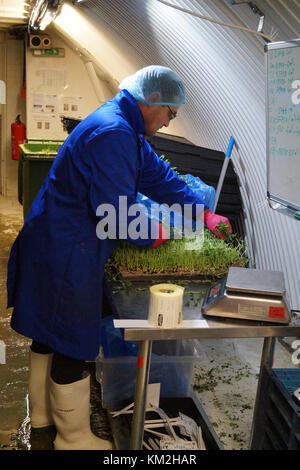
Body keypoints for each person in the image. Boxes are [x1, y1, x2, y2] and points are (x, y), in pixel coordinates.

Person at [6, 65, 231, 450]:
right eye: (170, 114)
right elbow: (118, 213)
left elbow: (156, 175)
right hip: (67, 252)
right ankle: (73, 438)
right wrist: (153, 234)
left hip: (57, 241)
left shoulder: (123, 126)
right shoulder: (114, 133)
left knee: (48, 336)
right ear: (152, 101)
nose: (168, 122)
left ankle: (43, 420)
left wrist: (201, 211)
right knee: (72, 342)